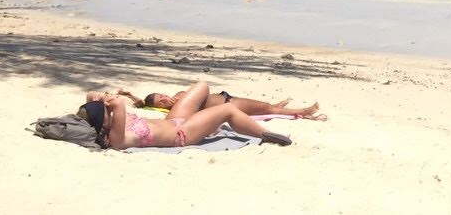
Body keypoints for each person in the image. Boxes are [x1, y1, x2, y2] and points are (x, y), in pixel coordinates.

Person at [80, 81, 291, 149]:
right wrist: (111, 102)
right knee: (227, 111)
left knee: (202, 86)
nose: (109, 109)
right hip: (182, 133)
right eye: (105, 112)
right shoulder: (118, 138)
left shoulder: (110, 122)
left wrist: (98, 99)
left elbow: (90, 95)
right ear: (102, 123)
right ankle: (265, 134)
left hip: (173, 121)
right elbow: (118, 105)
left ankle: (209, 119)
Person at [126, 87, 322, 119]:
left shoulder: (179, 95)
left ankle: (276, 107)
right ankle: (304, 111)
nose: (165, 99)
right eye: (161, 102)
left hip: (226, 97)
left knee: (263, 106)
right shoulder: (179, 109)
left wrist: (131, 95)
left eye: (162, 95)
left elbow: (143, 103)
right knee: (267, 108)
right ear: (160, 107)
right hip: (229, 105)